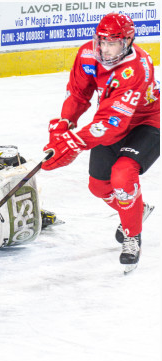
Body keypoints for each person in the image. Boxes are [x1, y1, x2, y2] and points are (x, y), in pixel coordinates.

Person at [41, 13, 159, 272]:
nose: (104, 49)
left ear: (127, 41)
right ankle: (136, 209)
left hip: (145, 124)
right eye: (101, 41)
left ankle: (132, 237)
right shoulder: (87, 54)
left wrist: (73, 141)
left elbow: (110, 124)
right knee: (98, 187)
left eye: (111, 43)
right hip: (110, 123)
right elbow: (78, 94)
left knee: (122, 175)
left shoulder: (137, 67)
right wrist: (65, 123)